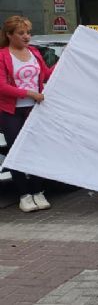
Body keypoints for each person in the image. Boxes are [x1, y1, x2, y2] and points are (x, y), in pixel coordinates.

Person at [0, 16, 53, 212]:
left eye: (28, 32)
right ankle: (24, 195)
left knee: (37, 150)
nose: (26, 36)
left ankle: (38, 191)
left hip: (35, 110)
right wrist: (30, 93)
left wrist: (67, 59)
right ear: (9, 35)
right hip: (11, 112)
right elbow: (2, 86)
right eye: (21, 33)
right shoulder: (3, 55)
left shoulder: (34, 53)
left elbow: (46, 75)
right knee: (18, 152)